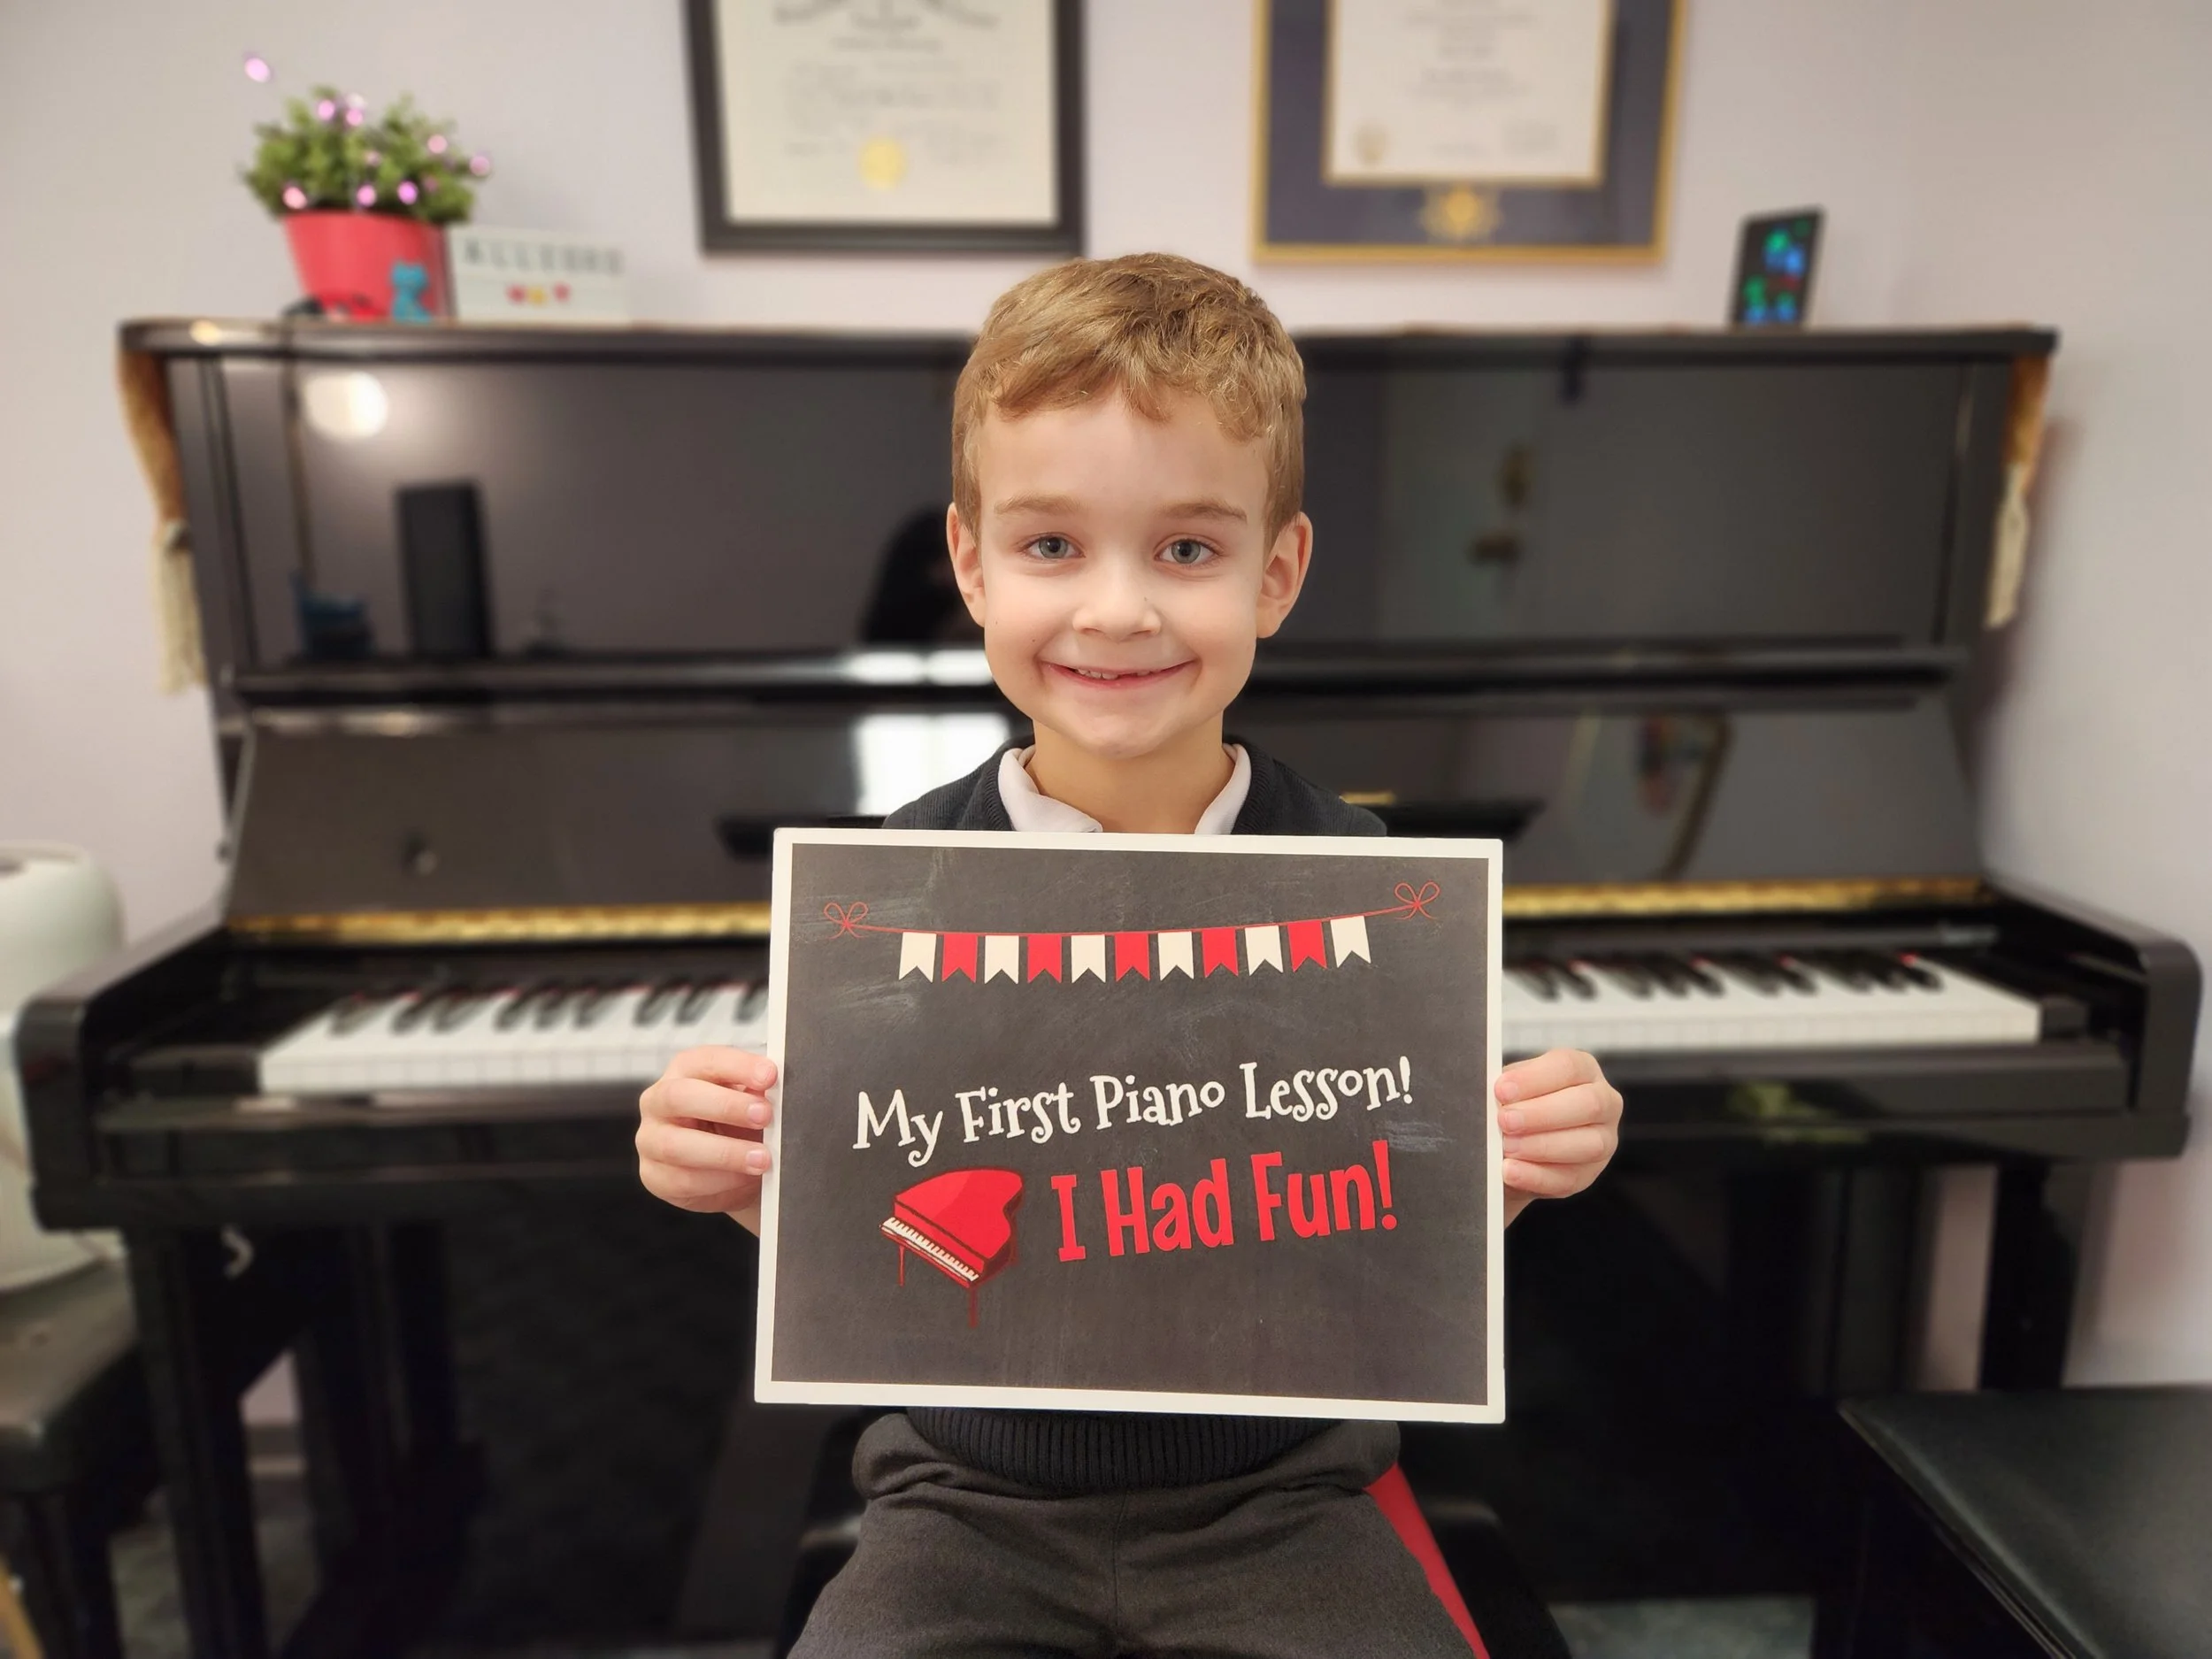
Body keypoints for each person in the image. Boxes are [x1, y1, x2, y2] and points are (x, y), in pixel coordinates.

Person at [637, 253, 1624, 1656]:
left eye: (1186, 549)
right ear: (970, 567)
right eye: (1051, 547)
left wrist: (1523, 1159)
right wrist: (734, 1177)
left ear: (1275, 574)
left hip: (1279, 1501)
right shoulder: (899, 882)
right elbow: (871, 1228)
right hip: (960, 1501)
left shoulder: (1362, 875)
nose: (1116, 610)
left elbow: (1388, 1233)